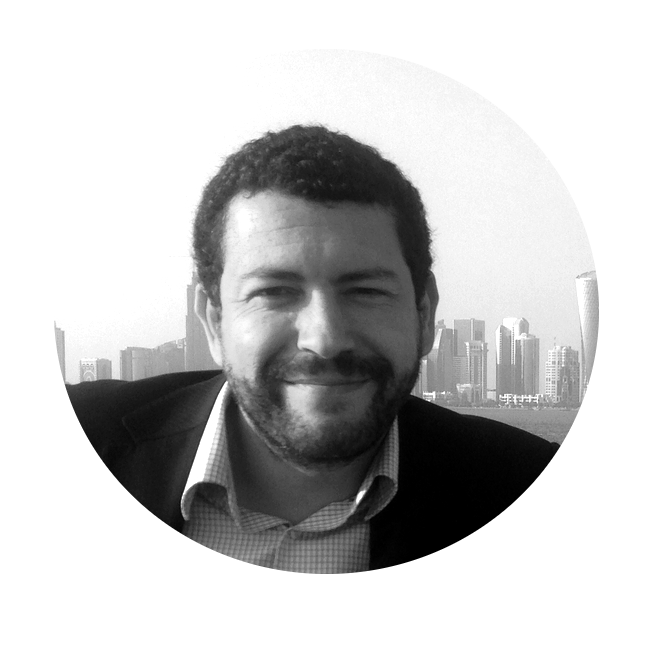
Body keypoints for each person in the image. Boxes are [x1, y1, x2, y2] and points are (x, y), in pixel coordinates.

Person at [67, 124, 560, 572]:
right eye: (274, 292)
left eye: (365, 291)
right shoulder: (93, 434)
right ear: (214, 321)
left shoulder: (520, 479)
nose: (324, 340)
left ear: (425, 313)